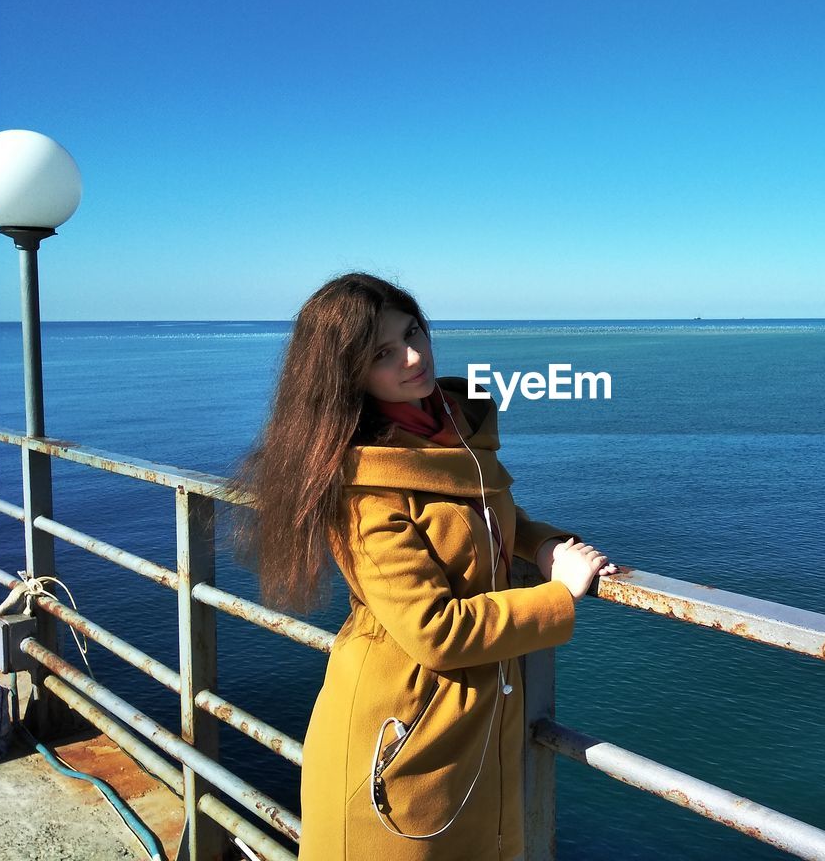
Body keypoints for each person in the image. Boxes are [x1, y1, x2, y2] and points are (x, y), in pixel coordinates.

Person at [232, 272, 617, 861]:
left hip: (471, 732)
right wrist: (558, 595)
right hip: (401, 741)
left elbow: (484, 513)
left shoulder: (447, 427)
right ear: (347, 374)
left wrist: (540, 544)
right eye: (383, 353)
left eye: (413, 333)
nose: (413, 357)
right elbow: (438, 631)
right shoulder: (363, 488)